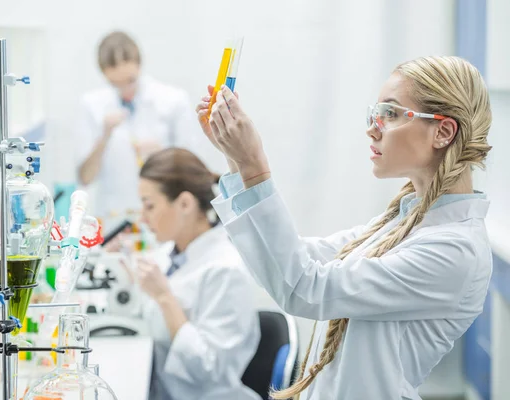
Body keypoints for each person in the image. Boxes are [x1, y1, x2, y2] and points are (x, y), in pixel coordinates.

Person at [196, 56, 493, 400]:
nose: (373, 127)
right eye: (376, 113)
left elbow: (307, 287)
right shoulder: (401, 222)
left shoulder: (455, 249)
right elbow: (299, 259)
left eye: (391, 113)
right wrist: (235, 158)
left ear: (443, 132)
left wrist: (254, 165)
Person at [119, 148, 261, 400]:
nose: (142, 218)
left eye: (149, 206)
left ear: (184, 203)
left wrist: (165, 298)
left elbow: (210, 369)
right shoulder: (168, 254)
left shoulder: (225, 270)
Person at [75, 31, 199, 223]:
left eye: (130, 81)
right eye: (115, 84)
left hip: (162, 215)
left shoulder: (173, 100)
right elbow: (85, 178)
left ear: (139, 65)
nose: (125, 91)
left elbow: (192, 167)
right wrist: (105, 136)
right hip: (113, 219)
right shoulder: (91, 105)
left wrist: (163, 154)